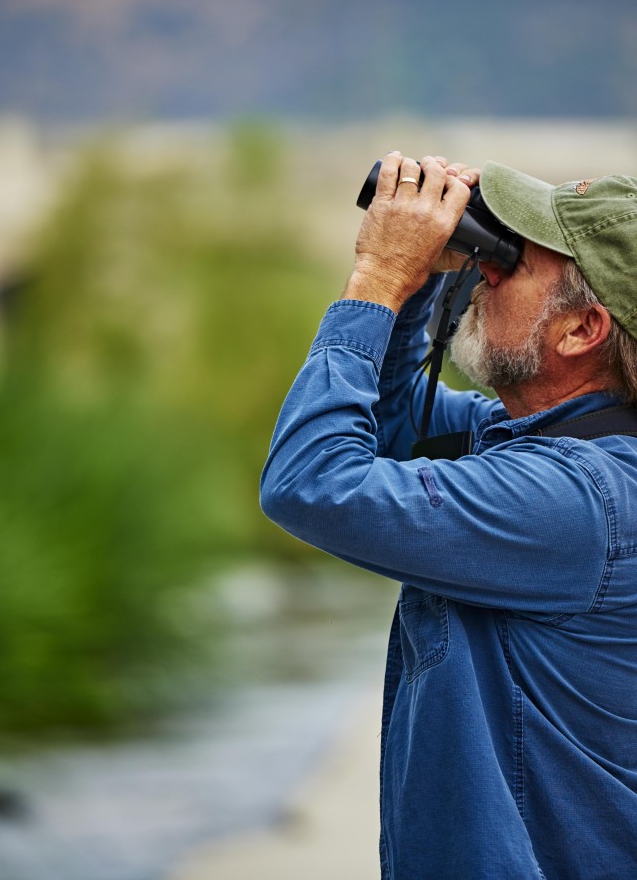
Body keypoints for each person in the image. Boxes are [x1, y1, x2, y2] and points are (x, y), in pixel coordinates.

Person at [260, 152, 637, 879]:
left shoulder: (577, 500)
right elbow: (390, 428)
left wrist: (378, 280)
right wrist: (427, 278)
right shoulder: (542, 442)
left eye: (514, 264)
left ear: (580, 330)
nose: (488, 269)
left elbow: (309, 481)